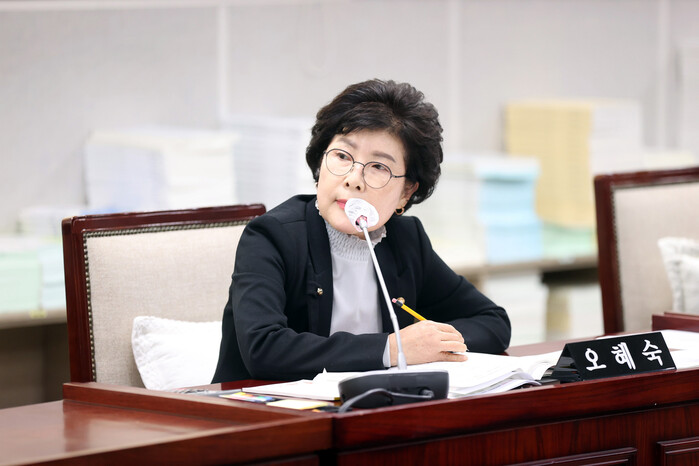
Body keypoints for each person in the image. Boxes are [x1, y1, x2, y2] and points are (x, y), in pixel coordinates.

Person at [212, 79, 510, 383]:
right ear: (320, 163)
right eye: (342, 156)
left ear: (406, 192)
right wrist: (393, 348)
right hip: (261, 406)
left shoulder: (405, 240)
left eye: (379, 167)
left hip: (372, 404)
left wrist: (434, 343)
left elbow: (492, 321)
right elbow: (264, 349)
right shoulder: (272, 236)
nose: (354, 179)